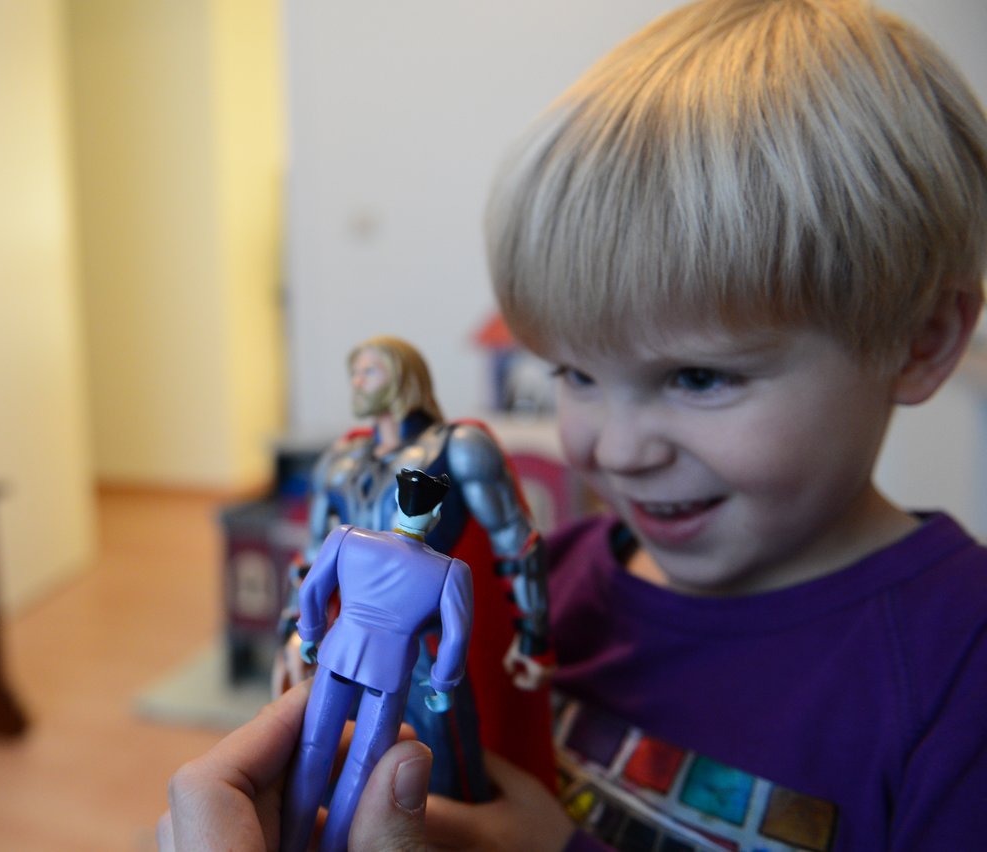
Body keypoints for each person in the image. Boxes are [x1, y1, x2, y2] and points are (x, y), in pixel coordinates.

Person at [164, 0, 987, 847]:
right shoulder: (547, 592)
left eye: (699, 377)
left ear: (920, 340)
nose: (616, 452)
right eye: (575, 373)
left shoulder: (960, 675)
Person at [277, 335, 556, 800]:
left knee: (437, 774)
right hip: (348, 632)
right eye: (355, 372)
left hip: (421, 639)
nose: (358, 381)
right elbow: (311, 558)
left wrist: (534, 636)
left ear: (404, 378)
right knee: (329, 758)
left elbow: (515, 540)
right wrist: (296, 629)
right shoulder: (341, 459)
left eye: (371, 371)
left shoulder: (459, 446)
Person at [281, 469, 473, 852]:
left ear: (395, 506)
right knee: (363, 767)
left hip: (337, 655)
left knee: (311, 751)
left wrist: (311, 633)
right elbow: (456, 637)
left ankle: (289, 843)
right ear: (435, 515)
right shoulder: (451, 571)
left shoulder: (348, 538)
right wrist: (442, 683)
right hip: (390, 675)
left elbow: (312, 590)